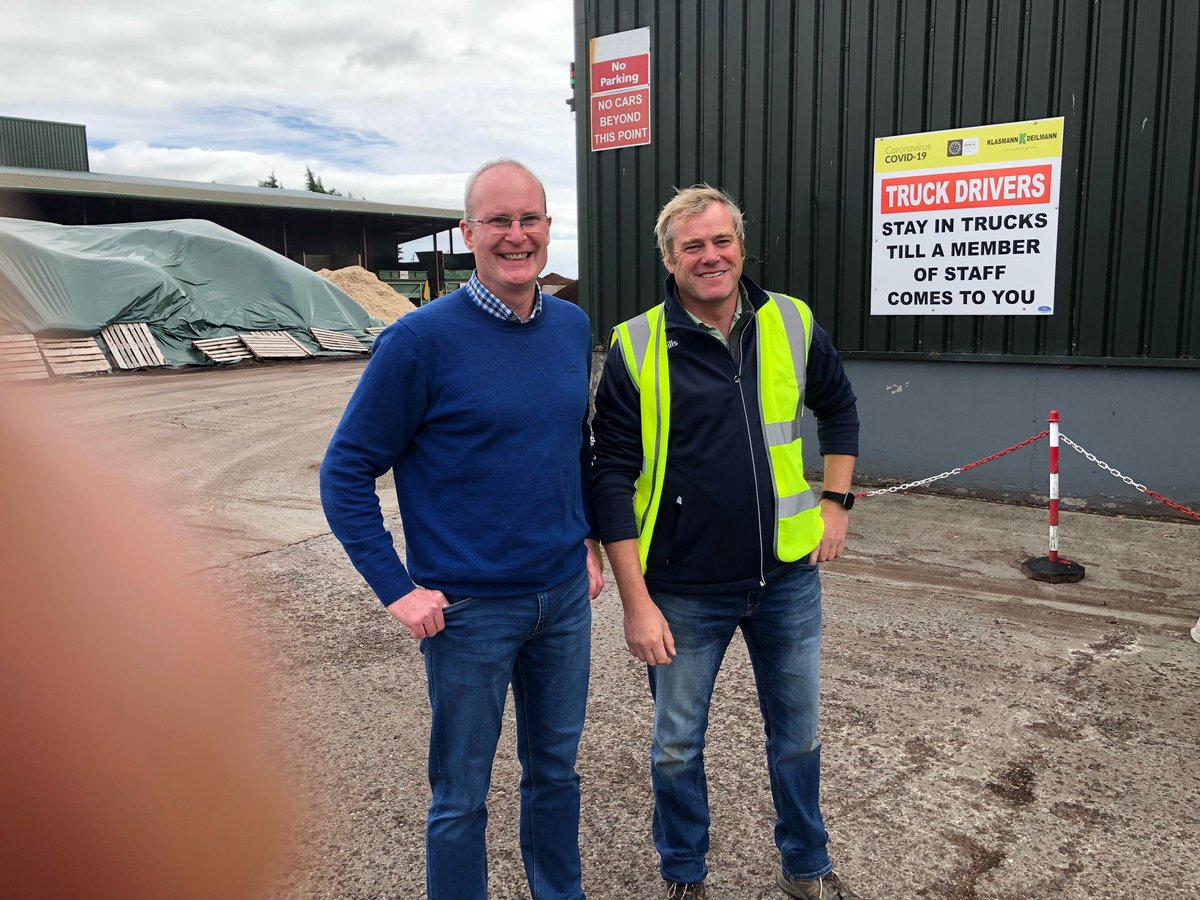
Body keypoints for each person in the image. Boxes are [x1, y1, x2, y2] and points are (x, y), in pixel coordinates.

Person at [320, 158, 603, 900]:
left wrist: (585, 538)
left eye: (530, 219)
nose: (517, 236)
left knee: (555, 774)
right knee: (460, 798)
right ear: (469, 231)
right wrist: (397, 590)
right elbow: (344, 472)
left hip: (563, 604)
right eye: (499, 221)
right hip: (470, 613)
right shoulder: (417, 342)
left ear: (548, 227)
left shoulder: (571, 327)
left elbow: (571, 445)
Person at [592, 185, 863, 900]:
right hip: (682, 590)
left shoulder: (793, 322)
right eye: (693, 246)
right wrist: (635, 600)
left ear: (741, 246)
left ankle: (807, 865)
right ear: (670, 260)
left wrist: (836, 503)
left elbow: (837, 406)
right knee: (676, 744)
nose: (710, 256)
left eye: (721, 241)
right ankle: (685, 874)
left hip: (788, 580)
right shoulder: (636, 343)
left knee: (798, 737)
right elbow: (609, 473)